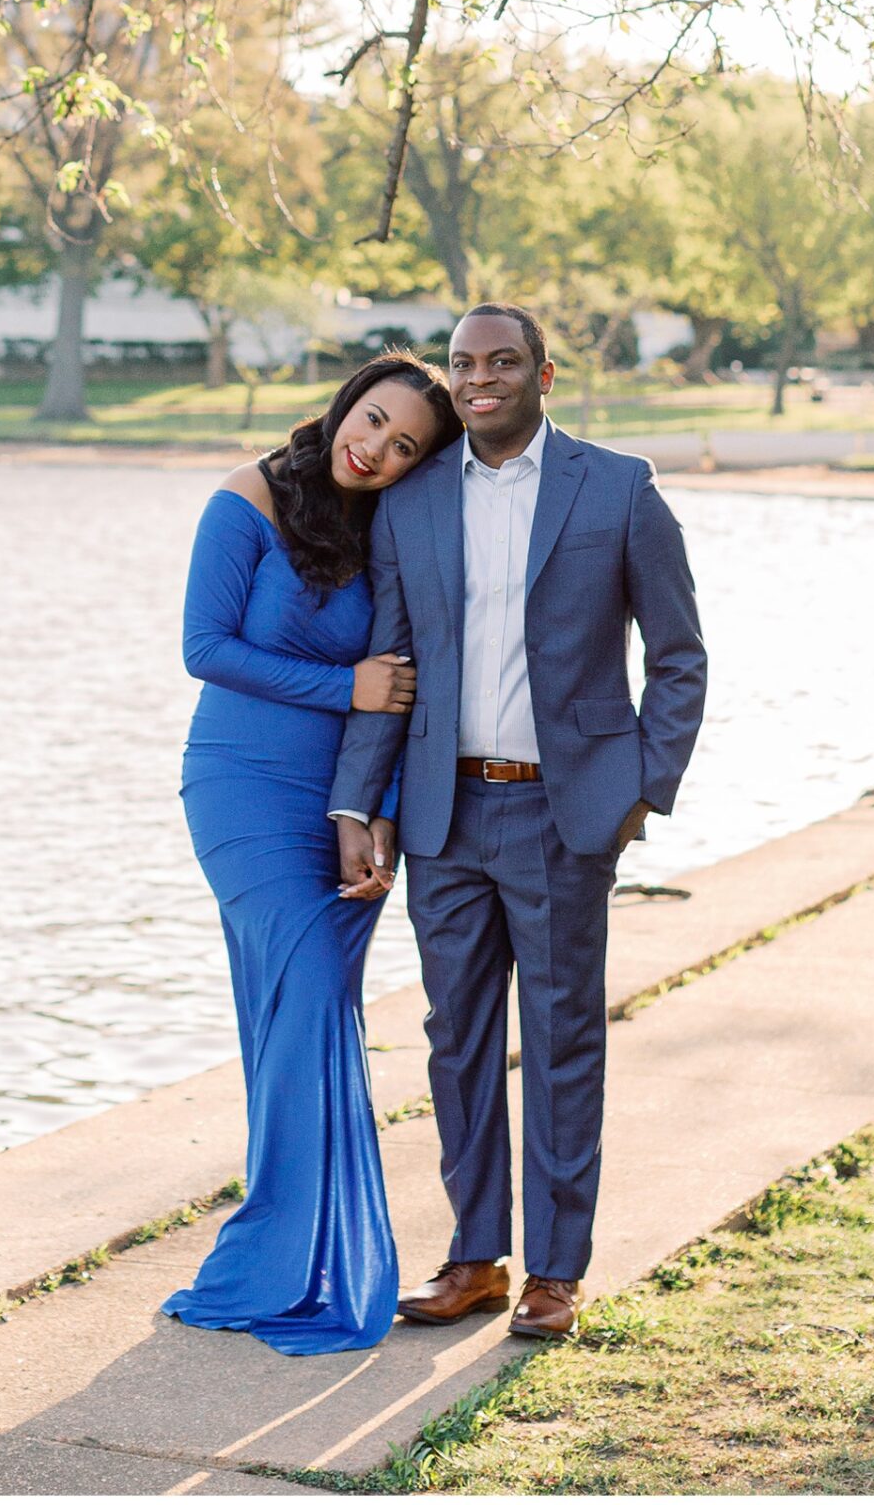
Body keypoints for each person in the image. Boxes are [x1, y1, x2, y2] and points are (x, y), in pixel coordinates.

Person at [330, 304, 707, 1343]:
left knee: (559, 1040)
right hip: (443, 815)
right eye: (461, 365)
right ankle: (473, 1255)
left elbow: (678, 656)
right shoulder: (408, 504)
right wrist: (359, 802)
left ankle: (555, 1268)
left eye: (501, 362)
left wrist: (640, 786)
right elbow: (393, 668)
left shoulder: (616, 488)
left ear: (544, 373)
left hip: (560, 812)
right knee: (454, 1041)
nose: (478, 378)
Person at [163, 351, 463, 1354]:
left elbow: (403, 686)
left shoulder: (391, 531)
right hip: (241, 788)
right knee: (296, 994)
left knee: (305, 1013)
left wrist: (371, 816)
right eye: (371, 418)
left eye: (403, 444)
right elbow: (205, 648)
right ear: (347, 401)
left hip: (343, 810)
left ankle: (301, 1253)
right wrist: (345, 688)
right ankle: (277, 1249)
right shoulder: (245, 497)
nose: (372, 447)